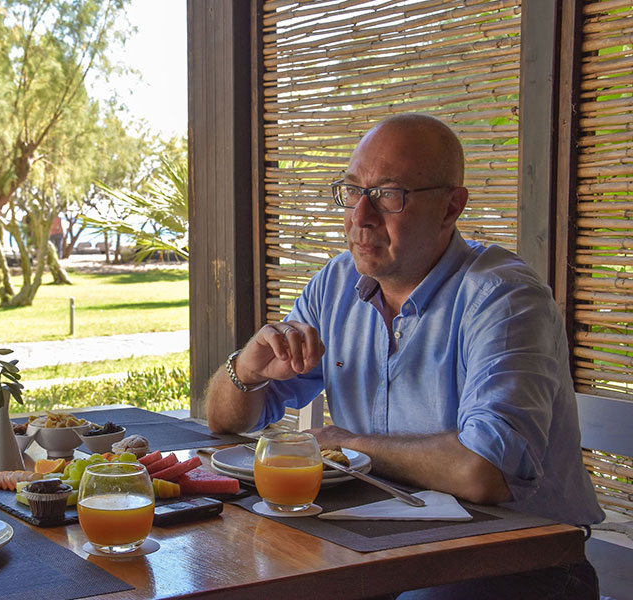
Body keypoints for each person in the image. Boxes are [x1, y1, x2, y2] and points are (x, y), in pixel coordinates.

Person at [207, 114, 603, 598]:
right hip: (379, 540)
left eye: (388, 194)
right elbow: (224, 422)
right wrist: (246, 370)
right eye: (352, 191)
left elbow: (486, 472)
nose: (360, 217)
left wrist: (345, 444)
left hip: (516, 559)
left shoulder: (503, 298)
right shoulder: (333, 286)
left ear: (450, 207)